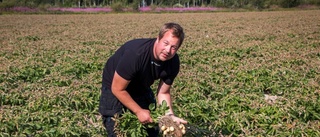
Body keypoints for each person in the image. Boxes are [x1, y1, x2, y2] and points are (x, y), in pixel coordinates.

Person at [99, 22, 187, 137]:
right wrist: (138, 111)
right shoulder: (136, 54)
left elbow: (163, 92)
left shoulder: (173, 62)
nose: (167, 50)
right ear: (158, 39)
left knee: (151, 128)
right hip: (114, 87)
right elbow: (117, 89)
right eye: (165, 43)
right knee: (117, 129)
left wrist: (169, 115)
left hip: (140, 86)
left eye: (173, 47)